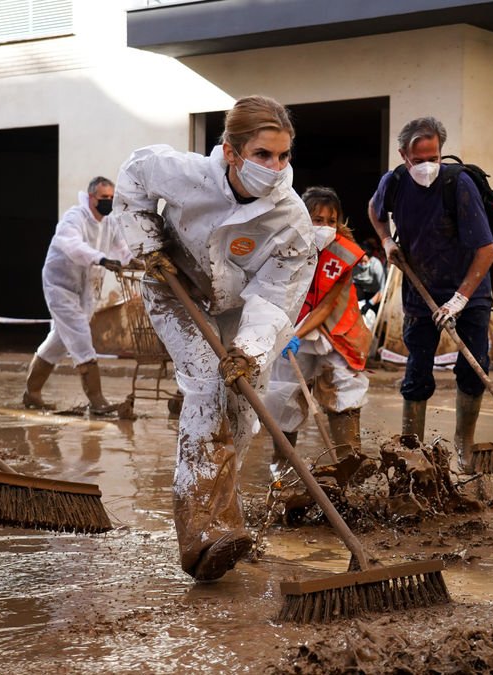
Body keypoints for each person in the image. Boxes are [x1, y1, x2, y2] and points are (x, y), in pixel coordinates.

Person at [112, 95, 317, 582]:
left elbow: (273, 296)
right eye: (263, 155)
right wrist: (148, 244)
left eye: (283, 155)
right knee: (205, 385)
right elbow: (133, 178)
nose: (275, 167)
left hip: (240, 312)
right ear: (231, 151)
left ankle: (223, 517)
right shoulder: (181, 172)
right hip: (174, 290)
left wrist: (248, 352)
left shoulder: (290, 218)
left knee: (242, 411)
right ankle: (201, 531)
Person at [368, 116, 493, 473]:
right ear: (403, 155)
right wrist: (387, 240)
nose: (427, 166)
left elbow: (486, 250)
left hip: (471, 290)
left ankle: (463, 446)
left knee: (473, 368)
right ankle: (413, 450)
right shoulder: (393, 183)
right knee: (417, 370)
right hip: (420, 289)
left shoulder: (460, 185)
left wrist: (459, 299)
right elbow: (373, 211)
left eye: (434, 157)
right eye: (418, 159)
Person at [265, 187, 372, 476]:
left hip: (337, 333)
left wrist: (297, 336)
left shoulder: (343, 253)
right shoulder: (283, 247)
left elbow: (325, 308)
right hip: (289, 329)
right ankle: (281, 471)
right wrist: (284, 332)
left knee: (344, 393)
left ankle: (348, 471)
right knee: (283, 396)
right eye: (316, 219)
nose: (324, 226)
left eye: (330, 220)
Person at [23, 176, 135, 416]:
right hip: (59, 286)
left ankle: (32, 393)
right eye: (104, 198)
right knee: (81, 336)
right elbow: (71, 245)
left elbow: (122, 249)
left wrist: (137, 261)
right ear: (91, 197)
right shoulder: (75, 218)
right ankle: (97, 399)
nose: (108, 202)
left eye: (112, 198)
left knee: (60, 340)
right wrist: (102, 259)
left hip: (85, 289)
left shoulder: (110, 223)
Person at [351, 238, 385, 324]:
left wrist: (369, 304)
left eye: (365, 261)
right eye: (360, 261)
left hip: (374, 295)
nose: (362, 264)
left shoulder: (376, 265)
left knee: (371, 318)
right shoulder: (353, 264)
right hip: (360, 292)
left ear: (370, 258)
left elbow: (382, 290)